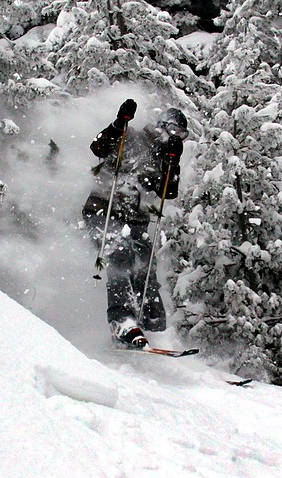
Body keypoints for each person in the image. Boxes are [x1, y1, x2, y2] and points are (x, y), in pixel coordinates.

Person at [83, 99, 187, 348]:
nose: (177, 137)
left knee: (145, 263)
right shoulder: (132, 137)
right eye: (174, 131)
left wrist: (174, 163)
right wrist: (120, 123)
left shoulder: (165, 156)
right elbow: (98, 147)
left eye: (182, 135)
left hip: (136, 220)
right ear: (162, 125)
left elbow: (167, 193)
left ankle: (151, 320)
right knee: (119, 255)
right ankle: (121, 320)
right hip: (103, 210)